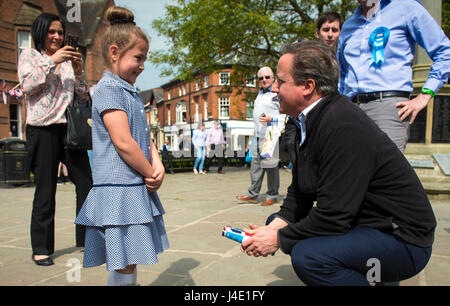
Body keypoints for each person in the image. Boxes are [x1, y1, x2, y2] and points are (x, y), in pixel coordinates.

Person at [240, 40, 436, 286]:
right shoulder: (305, 122)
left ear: (307, 86)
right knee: (276, 223)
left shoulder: (342, 125)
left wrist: (278, 239)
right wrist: (273, 231)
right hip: (364, 223)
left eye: (280, 81)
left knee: (309, 257)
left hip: (402, 239)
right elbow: (299, 194)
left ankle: (376, 277)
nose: (274, 89)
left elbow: (334, 216)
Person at [74, 7, 169, 286]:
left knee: (132, 255)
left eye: (144, 59)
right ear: (114, 52)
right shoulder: (108, 89)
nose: (142, 66)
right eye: (138, 58)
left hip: (133, 185)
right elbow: (124, 142)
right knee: (124, 259)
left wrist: (158, 163)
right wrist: (150, 172)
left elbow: (143, 136)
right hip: (119, 188)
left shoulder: (131, 92)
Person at [18, 13, 93, 266]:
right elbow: (28, 86)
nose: (57, 37)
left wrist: (80, 74)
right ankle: (41, 247)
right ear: (41, 32)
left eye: (60, 32)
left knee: (87, 183)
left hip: (69, 129)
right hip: (43, 129)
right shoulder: (30, 56)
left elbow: (81, 98)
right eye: (52, 32)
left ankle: (87, 240)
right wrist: (52, 61)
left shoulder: (67, 62)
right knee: (46, 189)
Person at [337, 0, 450, 153]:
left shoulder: (406, 8)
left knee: (386, 173)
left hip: (388, 108)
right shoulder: (348, 26)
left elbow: (445, 52)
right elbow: (342, 74)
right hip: (351, 111)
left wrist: (425, 94)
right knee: (351, 173)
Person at [236, 67, 284, 206]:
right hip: (257, 135)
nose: (264, 80)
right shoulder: (259, 94)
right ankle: (252, 194)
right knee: (255, 166)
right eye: (261, 78)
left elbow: (285, 114)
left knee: (270, 166)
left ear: (273, 77)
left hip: (270, 134)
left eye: (267, 77)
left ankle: (272, 195)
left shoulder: (276, 93)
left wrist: (272, 119)